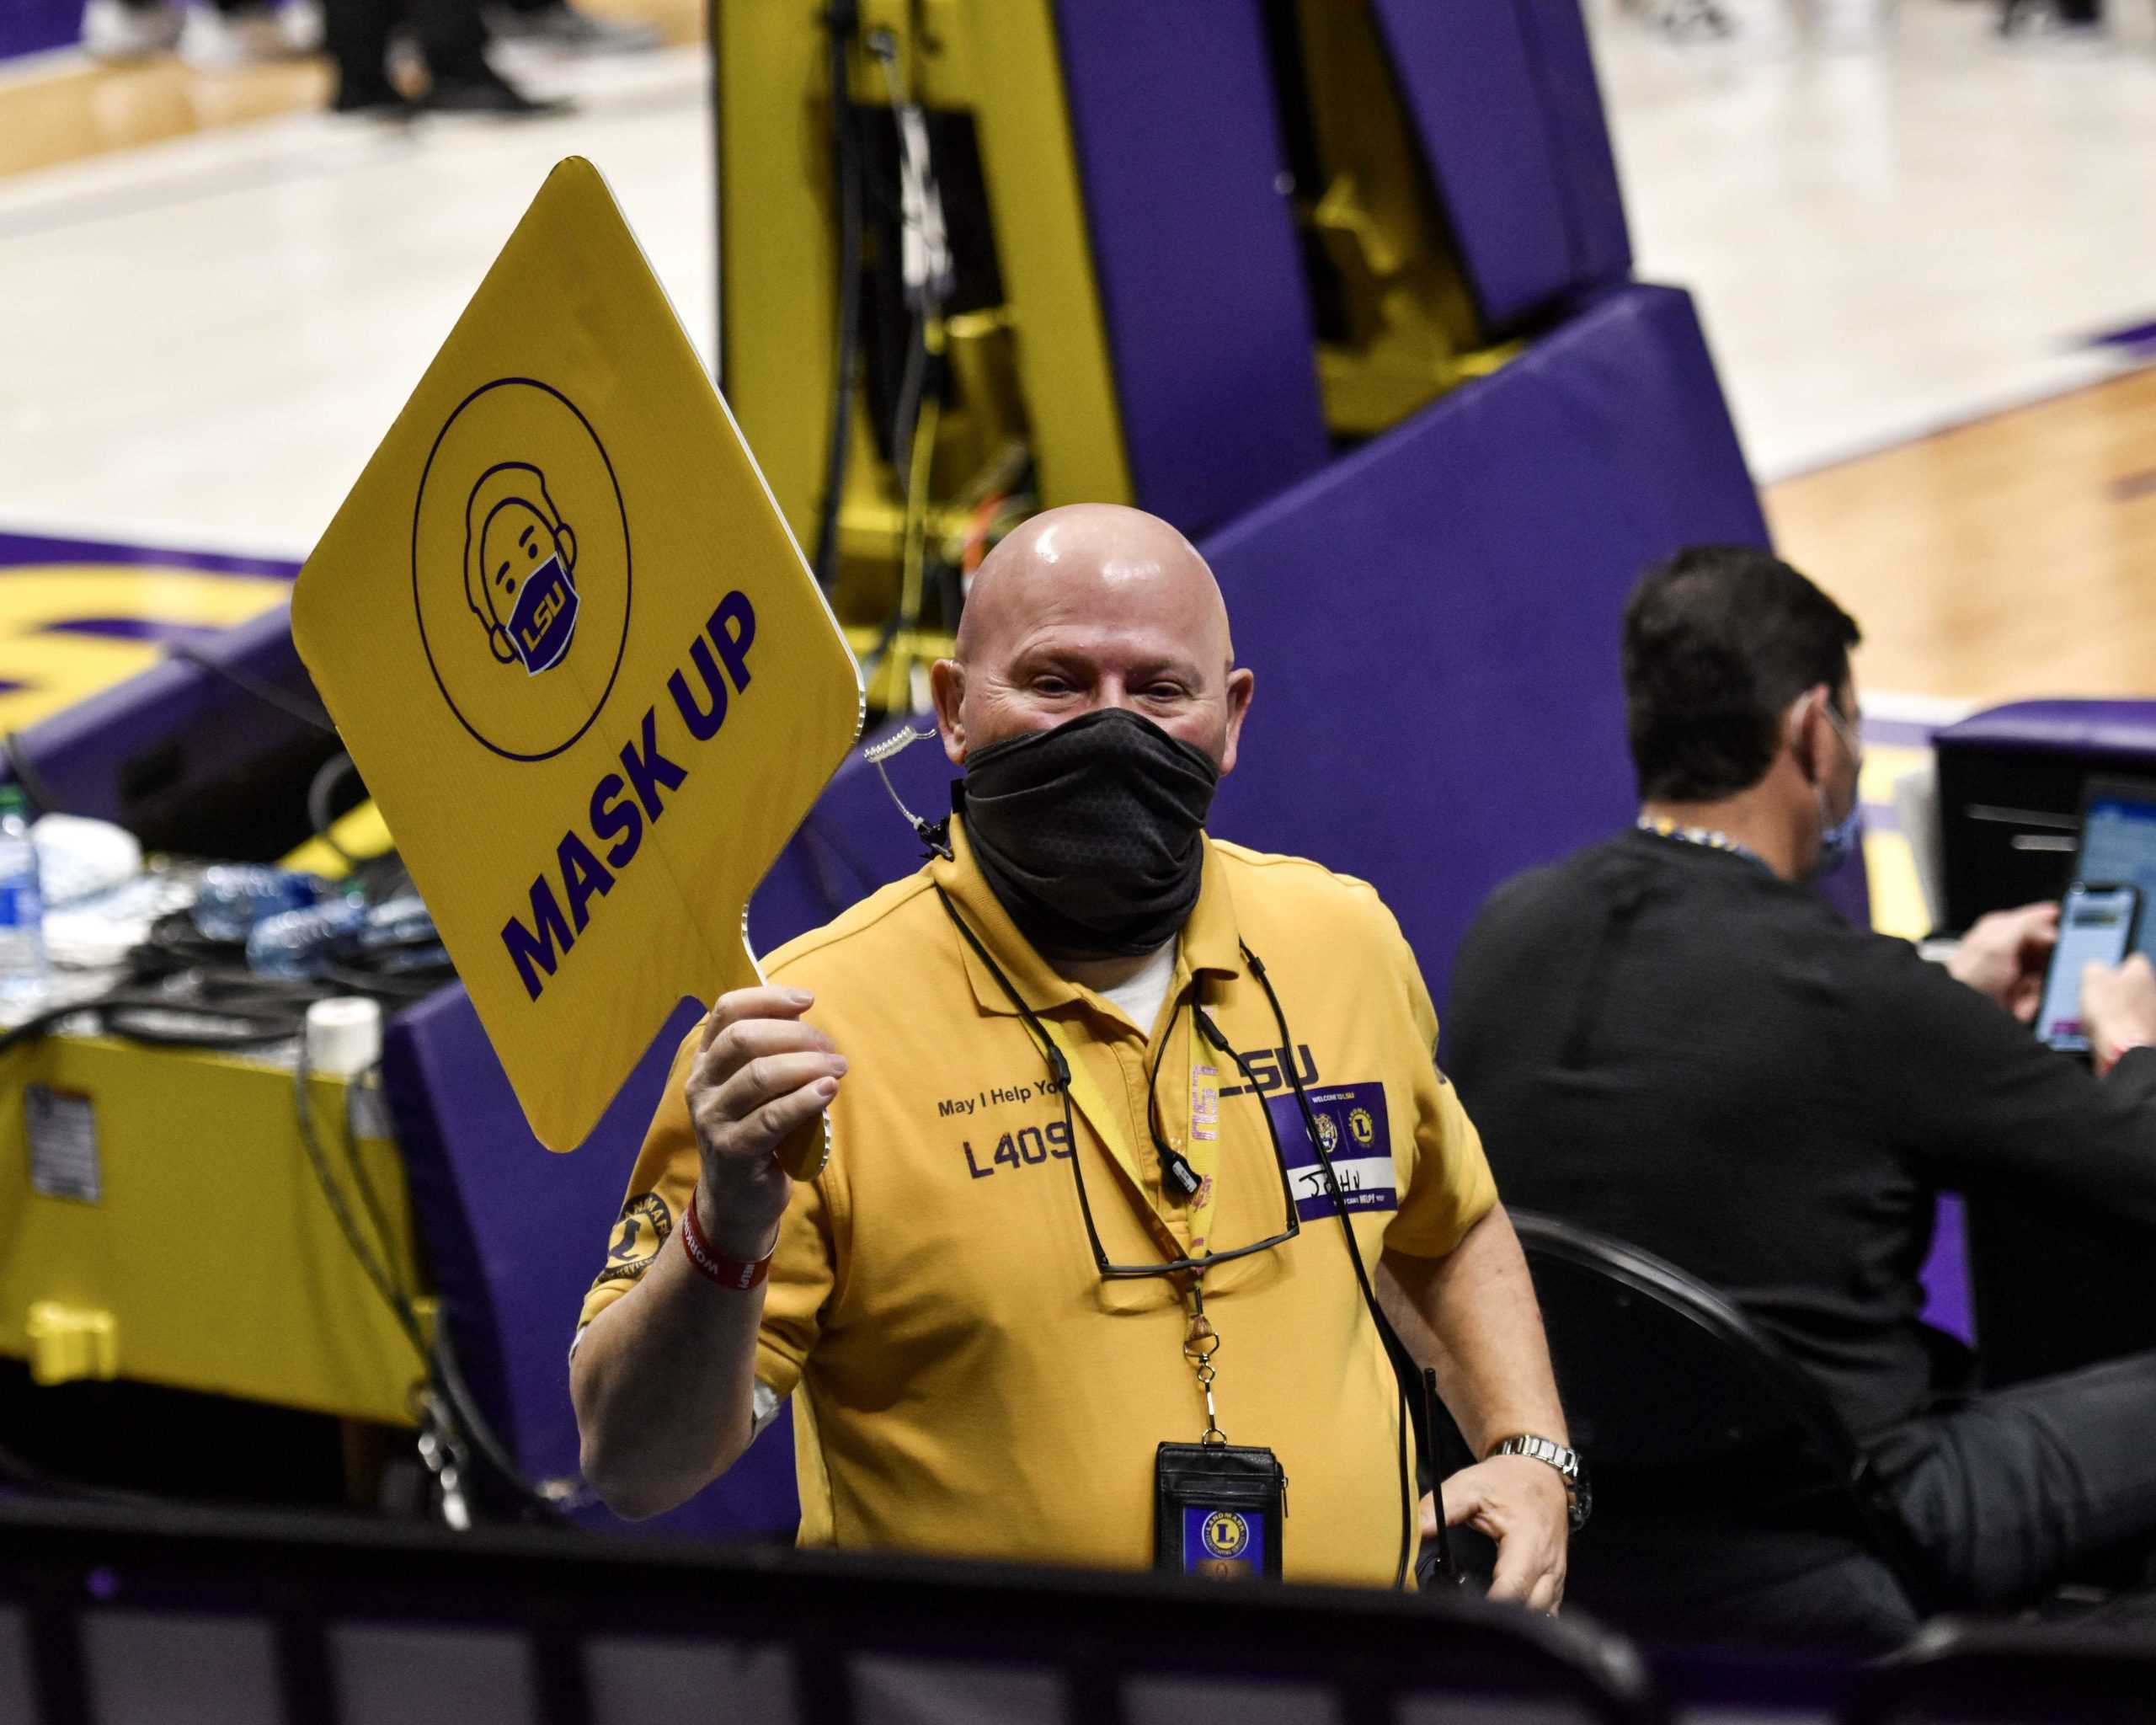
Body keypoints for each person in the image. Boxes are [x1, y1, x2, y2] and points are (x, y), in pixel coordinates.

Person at [572, 504, 1576, 1602]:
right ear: (952, 709)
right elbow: (635, 1467)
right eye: (1056, 683)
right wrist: (727, 1226)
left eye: (1158, 691)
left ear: (1231, 718)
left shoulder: (1340, 945)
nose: (1111, 729)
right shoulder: (803, 1033)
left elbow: (1448, 1223)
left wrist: (1532, 1451)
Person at [1445, 543, 2156, 1621]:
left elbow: (1715, 1044)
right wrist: (2130, 1039)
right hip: (1861, 1513)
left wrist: (1933, 983)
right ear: (1812, 729)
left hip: (1594, 1512)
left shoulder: (1507, 929)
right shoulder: (1852, 994)